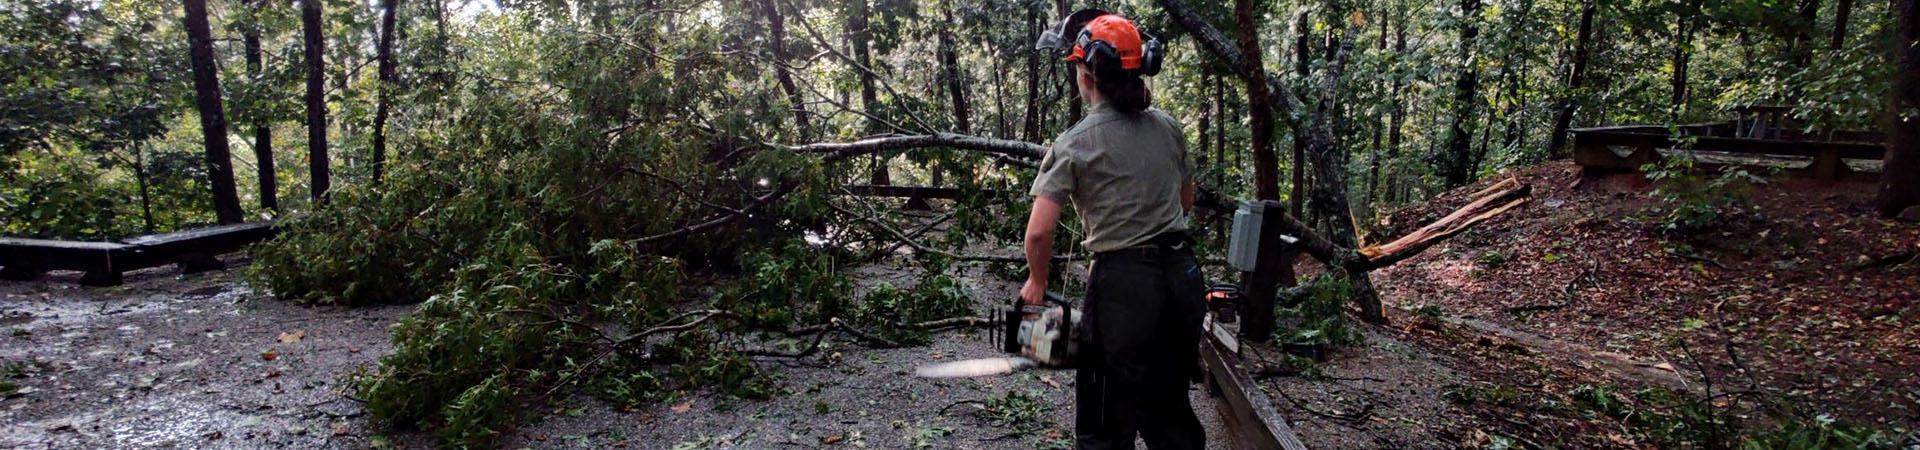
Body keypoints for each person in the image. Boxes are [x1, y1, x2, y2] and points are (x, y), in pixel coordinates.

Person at [1026, 9, 1207, 450]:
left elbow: (1038, 232)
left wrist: (1037, 280)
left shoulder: (1074, 143)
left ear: (1085, 75)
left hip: (1125, 287)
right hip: (1182, 278)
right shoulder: (1168, 128)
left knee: (1106, 415)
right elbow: (1186, 201)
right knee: (1168, 408)